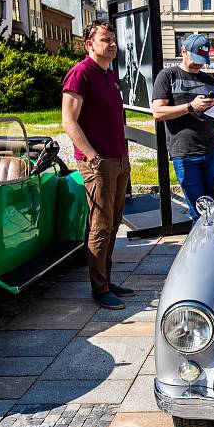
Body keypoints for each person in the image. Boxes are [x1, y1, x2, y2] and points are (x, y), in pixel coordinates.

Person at [62, 20, 135, 310]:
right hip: (98, 162)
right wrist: (91, 155)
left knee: (114, 222)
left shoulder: (109, 75)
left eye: (114, 39)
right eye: (106, 39)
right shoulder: (80, 74)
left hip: (118, 159)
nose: (112, 44)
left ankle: (106, 277)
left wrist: (123, 155)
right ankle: (99, 288)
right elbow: (68, 121)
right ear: (89, 44)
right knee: (100, 225)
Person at [151, 34, 214, 224]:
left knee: (211, 205)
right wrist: (190, 106)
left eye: (203, 60)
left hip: (213, 149)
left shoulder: (209, 80)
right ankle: (198, 245)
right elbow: (158, 112)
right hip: (185, 153)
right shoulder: (168, 76)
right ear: (183, 51)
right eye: (196, 59)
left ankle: (209, 242)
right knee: (198, 208)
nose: (200, 65)